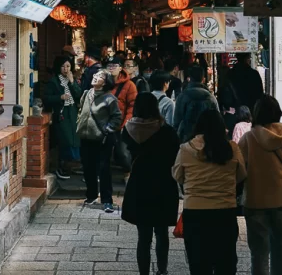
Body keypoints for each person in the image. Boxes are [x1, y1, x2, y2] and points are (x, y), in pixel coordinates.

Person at [239, 95, 282, 275]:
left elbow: (238, 170)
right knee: (280, 246)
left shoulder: (248, 138)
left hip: (255, 200)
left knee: (259, 252)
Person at [173, 109, 247, 275]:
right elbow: (242, 174)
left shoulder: (186, 149)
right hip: (224, 212)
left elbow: (177, 175)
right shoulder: (231, 148)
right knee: (225, 263)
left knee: (198, 264)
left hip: (195, 214)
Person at [121, 93, 180, 275]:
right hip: (163, 184)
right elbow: (175, 157)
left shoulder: (128, 130)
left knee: (143, 236)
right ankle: (162, 271)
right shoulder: (167, 131)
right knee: (161, 232)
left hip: (140, 184)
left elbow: (123, 155)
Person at [76, 69, 122, 213]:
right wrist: (79, 122)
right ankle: (91, 196)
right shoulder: (86, 94)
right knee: (88, 167)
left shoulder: (110, 99)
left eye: (100, 76)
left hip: (102, 139)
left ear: (105, 82)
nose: (95, 77)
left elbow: (117, 118)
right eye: (95, 75)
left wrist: (107, 130)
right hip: (85, 137)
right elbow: (80, 110)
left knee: (103, 169)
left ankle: (107, 201)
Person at [43, 56, 82, 180]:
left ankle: (69, 165)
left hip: (73, 112)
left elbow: (79, 96)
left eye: (68, 66)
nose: (66, 69)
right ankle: (60, 166)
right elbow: (46, 98)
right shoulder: (53, 81)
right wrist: (59, 98)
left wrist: (72, 82)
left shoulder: (72, 80)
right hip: (61, 113)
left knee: (74, 139)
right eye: (63, 66)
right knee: (65, 140)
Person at [173, 66, 219, 143]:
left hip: (187, 140)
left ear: (189, 79)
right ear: (203, 79)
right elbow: (217, 121)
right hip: (207, 140)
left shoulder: (182, 97)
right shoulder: (211, 98)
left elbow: (176, 122)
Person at [109, 56, 137, 175]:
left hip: (121, 124)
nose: (111, 69)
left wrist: (126, 123)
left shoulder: (129, 85)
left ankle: (131, 173)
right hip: (105, 124)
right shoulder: (103, 82)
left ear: (120, 68)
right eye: (109, 66)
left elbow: (132, 106)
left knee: (123, 153)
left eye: (114, 66)